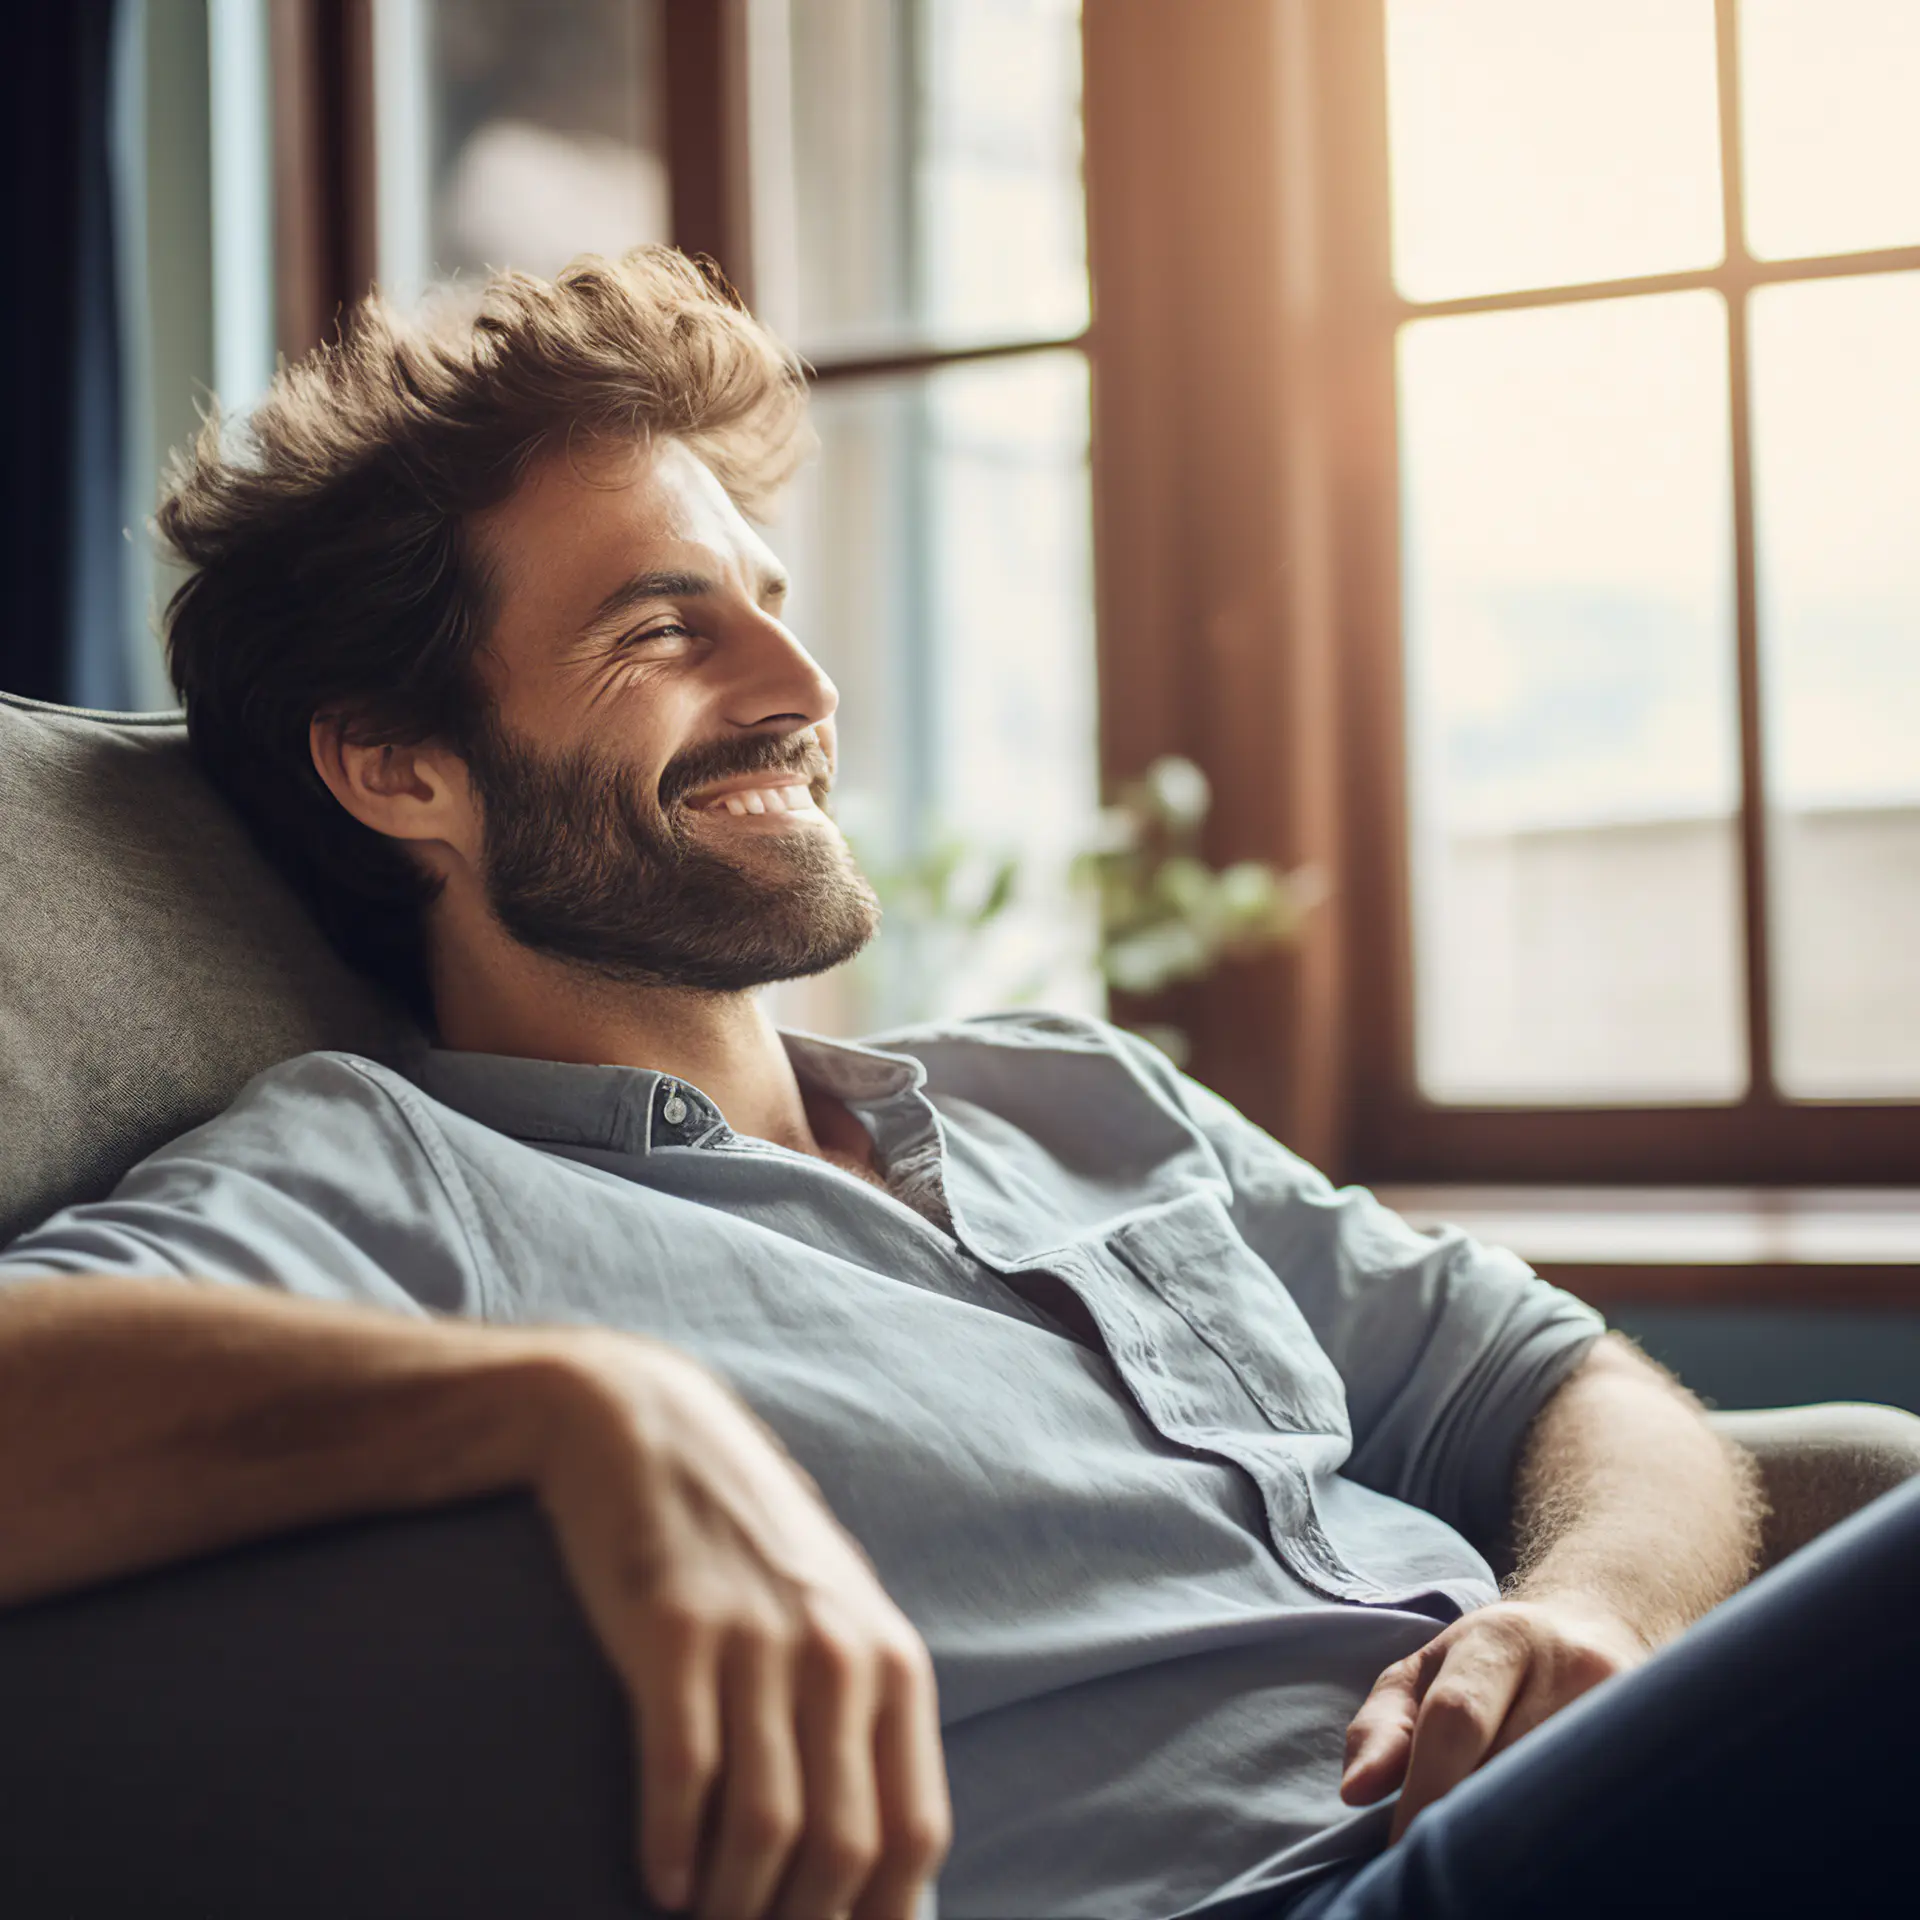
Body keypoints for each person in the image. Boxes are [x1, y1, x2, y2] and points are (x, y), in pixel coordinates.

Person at [0, 248, 1909, 1920]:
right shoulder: (400, 1182)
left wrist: (1598, 1609)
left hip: (1588, 1815)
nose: (798, 679)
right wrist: (576, 1402)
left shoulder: (1076, 1100)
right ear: (398, 769)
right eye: (665, 628)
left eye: (767, 596)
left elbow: (1567, 1381)